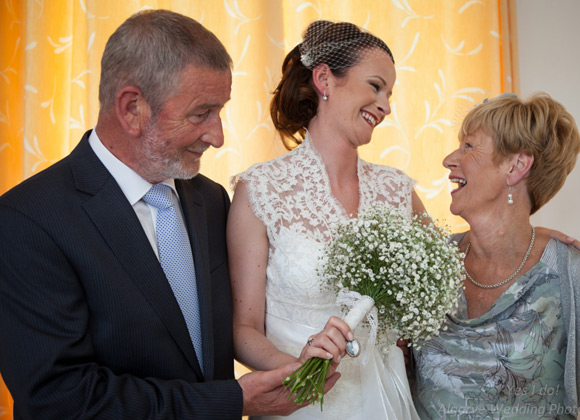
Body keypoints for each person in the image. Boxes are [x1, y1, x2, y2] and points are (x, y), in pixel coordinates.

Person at [0, 10, 339, 419]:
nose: (218, 136)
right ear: (132, 109)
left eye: (220, 111)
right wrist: (235, 401)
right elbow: (60, 399)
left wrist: (297, 353)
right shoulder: (28, 221)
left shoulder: (211, 201)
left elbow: (231, 328)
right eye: (201, 113)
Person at [227, 20, 424, 420]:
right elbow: (244, 330)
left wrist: (539, 237)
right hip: (300, 405)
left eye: (389, 93)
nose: (386, 105)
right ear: (324, 80)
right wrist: (298, 368)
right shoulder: (261, 190)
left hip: (387, 402)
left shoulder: (397, 190)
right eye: (375, 86)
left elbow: (454, 261)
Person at [412, 93, 580, 419]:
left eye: (469, 146)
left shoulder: (571, 274)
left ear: (516, 165)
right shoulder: (428, 264)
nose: (449, 159)